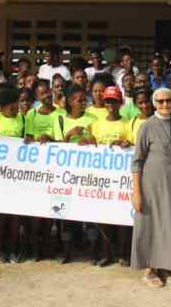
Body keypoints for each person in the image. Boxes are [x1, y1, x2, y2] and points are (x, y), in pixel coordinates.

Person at [131, 87, 171, 288]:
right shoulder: (146, 126)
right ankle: (150, 270)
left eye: (169, 101)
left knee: (170, 225)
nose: (165, 104)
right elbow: (137, 161)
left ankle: (167, 266)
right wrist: (136, 192)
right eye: (161, 101)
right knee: (152, 225)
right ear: (155, 103)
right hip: (151, 184)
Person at [52, 84, 98, 263]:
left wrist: (89, 141)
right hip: (67, 174)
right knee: (66, 212)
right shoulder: (60, 120)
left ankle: (93, 252)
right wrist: (70, 135)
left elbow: (97, 143)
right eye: (80, 100)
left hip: (88, 173)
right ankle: (67, 251)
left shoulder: (92, 118)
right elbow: (57, 147)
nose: (84, 102)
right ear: (70, 102)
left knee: (90, 211)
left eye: (85, 99)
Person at [0, 86, 25, 263]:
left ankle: (13, 249)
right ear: (1, 107)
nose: (16, 110)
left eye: (17, 106)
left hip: (17, 174)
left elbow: (27, 140)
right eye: (12, 108)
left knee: (15, 215)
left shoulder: (22, 119)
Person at [92, 86, 133, 266]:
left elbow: (132, 143)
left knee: (123, 217)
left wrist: (125, 143)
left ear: (120, 102)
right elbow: (92, 144)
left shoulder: (126, 123)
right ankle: (106, 253)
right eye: (108, 100)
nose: (110, 104)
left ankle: (123, 253)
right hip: (102, 177)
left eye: (114, 100)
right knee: (104, 217)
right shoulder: (97, 123)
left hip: (121, 178)